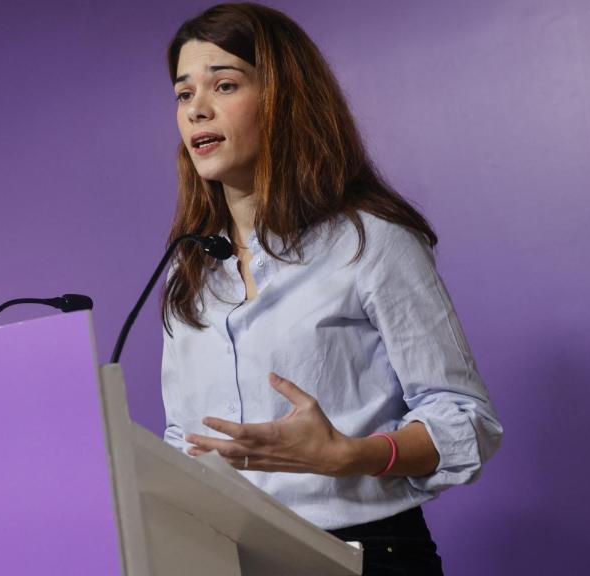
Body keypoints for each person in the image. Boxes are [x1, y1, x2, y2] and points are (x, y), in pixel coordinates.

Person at [160, 4, 502, 574]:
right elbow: (183, 437)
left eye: (224, 84)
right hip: (228, 559)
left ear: (282, 99)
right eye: (182, 94)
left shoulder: (370, 241)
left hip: (365, 553)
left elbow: (466, 419)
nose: (197, 109)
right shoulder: (190, 271)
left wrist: (353, 455)